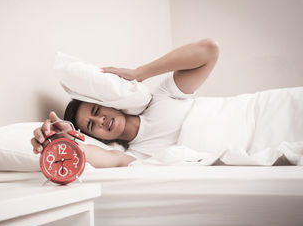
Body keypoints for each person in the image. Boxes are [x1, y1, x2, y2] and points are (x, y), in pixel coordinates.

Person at [31, 39, 220, 167]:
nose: (100, 121)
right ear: (99, 138)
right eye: (91, 125)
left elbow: (209, 50)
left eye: (96, 111)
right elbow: (99, 156)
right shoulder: (137, 155)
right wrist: (60, 140)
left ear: (108, 103)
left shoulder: (162, 97)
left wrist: (140, 73)